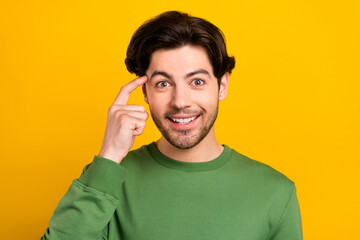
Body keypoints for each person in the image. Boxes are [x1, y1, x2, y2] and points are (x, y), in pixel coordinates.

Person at [41, 11, 302, 240]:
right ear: (145, 93)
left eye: (197, 81)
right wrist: (109, 155)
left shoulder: (276, 192)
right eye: (163, 84)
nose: (180, 101)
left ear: (222, 85)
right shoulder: (106, 180)